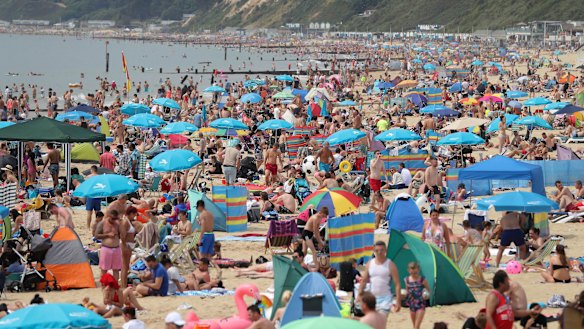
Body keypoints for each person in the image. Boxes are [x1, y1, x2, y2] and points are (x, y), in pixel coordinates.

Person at [358, 241, 401, 315]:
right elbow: (364, 281)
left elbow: (397, 284)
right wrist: (359, 295)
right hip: (372, 299)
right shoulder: (370, 264)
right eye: (377, 250)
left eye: (382, 250)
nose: (379, 252)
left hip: (386, 299)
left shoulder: (390, 264)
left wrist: (398, 301)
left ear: (385, 250)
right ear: (374, 251)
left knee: (381, 321)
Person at [95, 209, 122, 282]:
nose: (113, 220)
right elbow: (96, 235)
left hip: (116, 248)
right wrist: (107, 235)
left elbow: (121, 234)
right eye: (112, 218)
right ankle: (104, 285)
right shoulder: (102, 223)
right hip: (106, 248)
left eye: (115, 219)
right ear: (108, 216)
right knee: (104, 269)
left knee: (116, 269)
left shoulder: (117, 224)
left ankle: (115, 286)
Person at [404, 262, 430, 329]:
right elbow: (407, 292)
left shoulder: (422, 280)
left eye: (415, 272)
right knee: (415, 326)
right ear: (409, 271)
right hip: (411, 304)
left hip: (421, 304)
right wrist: (403, 294)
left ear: (418, 270)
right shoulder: (407, 280)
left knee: (416, 326)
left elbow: (429, 291)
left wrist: (426, 295)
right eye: (412, 273)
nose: (414, 274)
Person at [85, 165, 101, 229]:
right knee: (97, 212)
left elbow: (86, 186)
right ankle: (97, 226)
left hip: (90, 195)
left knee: (89, 213)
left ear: (91, 170)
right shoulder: (99, 177)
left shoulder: (88, 177)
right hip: (97, 195)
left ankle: (88, 226)